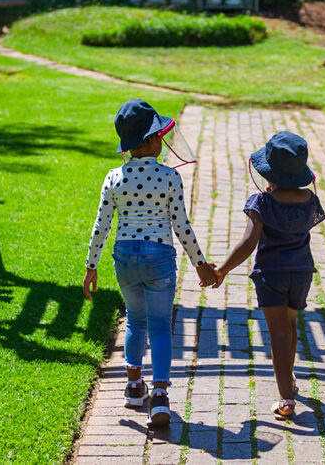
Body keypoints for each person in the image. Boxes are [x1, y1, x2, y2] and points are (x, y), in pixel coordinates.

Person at [83, 99, 218, 427]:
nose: (163, 140)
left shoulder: (114, 177)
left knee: (135, 321)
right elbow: (181, 225)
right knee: (159, 326)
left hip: (125, 257)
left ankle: (132, 387)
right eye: (158, 136)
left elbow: (101, 225)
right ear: (147, 141)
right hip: (159, 257)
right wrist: (200, 263)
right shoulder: (169, 177)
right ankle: (159, 396)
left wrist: (91, 266)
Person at [212, 131, 325, 420]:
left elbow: (249, 243)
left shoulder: (261, 203)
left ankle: (286, 398)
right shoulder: (309, 199)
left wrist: (222, 269)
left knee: (277, 333)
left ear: (269, 172)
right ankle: (289, 379)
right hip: (301, 273)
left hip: (271, 274)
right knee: (290, 323)